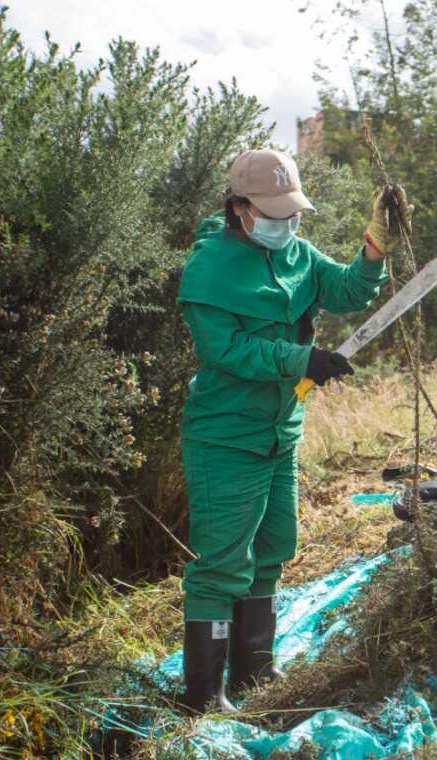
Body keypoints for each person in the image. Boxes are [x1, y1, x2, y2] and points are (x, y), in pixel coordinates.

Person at [176, 148, 408, 713]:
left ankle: (256, 672)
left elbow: (350, 290)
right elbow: (222, 348)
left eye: (291, 212)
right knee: (222, 563)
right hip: (227, 435)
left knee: (274, 547)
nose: (285, 223)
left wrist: (376, 246)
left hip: (282, 430)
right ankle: (205, 697)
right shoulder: (208, 267)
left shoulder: (298, 254)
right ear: (240, 209)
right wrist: (300, 360)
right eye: (273, 213)